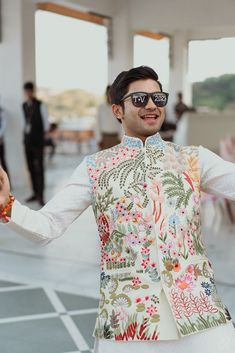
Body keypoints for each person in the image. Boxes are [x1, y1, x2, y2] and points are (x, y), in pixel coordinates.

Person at [0, 66, 235, 353]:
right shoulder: (95, 168)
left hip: (200, 316)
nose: (151, 105)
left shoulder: (193, 159)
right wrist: (6, 205)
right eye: (139, 99)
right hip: (128, 323)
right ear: (117, 110)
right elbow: (47, 226)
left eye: (158, 98)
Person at [22, 82, 49, 206]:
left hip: (38, 141)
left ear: (33, 91)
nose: (28, 93)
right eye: (26, 91)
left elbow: (46, 124)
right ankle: (34, 193)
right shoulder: (23, 105)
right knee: (30, 167)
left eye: (29, 91)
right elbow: (24, 123)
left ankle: (41, 195)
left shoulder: (41, 105)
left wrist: (41, 137)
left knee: (40, 168)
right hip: (27, 140)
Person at [95, 85, 122, 149]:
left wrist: (121, 138)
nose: (109, 95)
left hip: (116, 138)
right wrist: (99, 139)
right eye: (108, 93)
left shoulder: (118, 107)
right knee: (104, 158)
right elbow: (97, 124)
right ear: (106, 94)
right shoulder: (101, 107)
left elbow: (121, 123)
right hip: (104, 138)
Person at [0, 105, 10, 177]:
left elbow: (4, 124)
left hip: (0, 140)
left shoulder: (2, 111)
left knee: (3, 161)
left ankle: (7, 183)